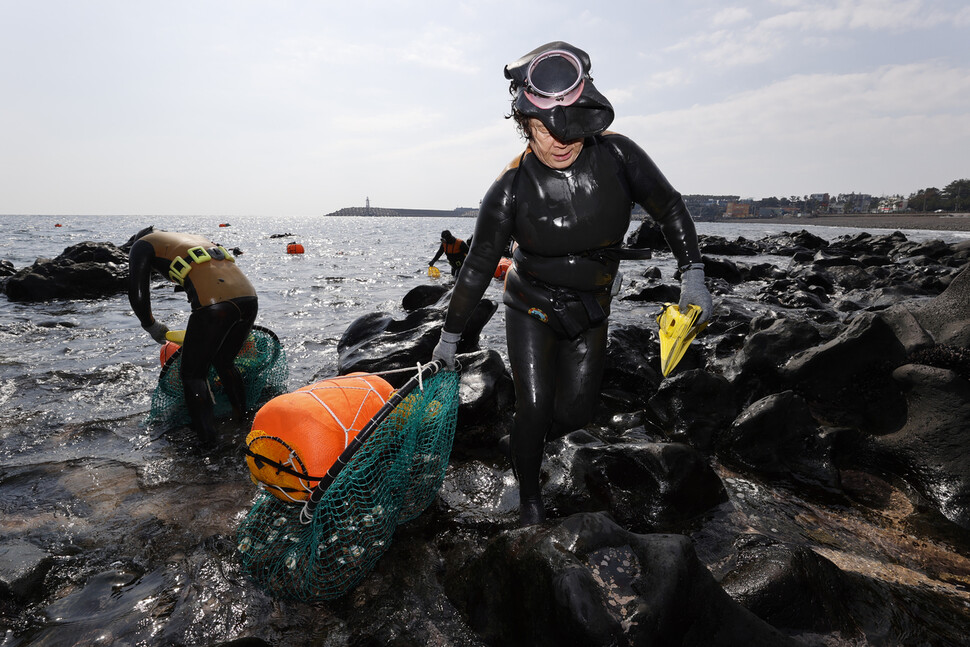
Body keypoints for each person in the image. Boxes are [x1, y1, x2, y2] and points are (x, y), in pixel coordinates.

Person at [431, 42, 713, 526]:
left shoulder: (619, 155)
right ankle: (529, 501)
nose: (559, 140)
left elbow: (668, 207)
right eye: (543, 128)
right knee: (536, 407)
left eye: (570, 126)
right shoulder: (510, 188)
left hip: (592, 308)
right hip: (531, 307)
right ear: (525, 124)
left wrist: (694, 277)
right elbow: (477, 266)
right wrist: (450, 337)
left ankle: (519, 439)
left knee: (574, 418)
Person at [127, 226, 259, 447]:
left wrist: (151, 325)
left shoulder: (142, 245)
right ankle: (243, 421)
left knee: (193, 375)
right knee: (224, 361)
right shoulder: (194, 239)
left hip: (216, 305)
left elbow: (138, 293)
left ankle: (208, 443)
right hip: (249, 299)